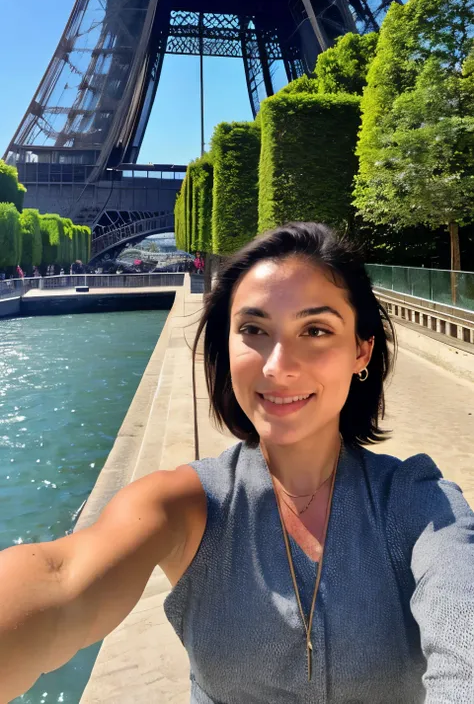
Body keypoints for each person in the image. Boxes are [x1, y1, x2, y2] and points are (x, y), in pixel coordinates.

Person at [0, 222, 473, 703]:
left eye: (315, 329)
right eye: (254, 329)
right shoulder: (183, 505)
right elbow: (60, 580)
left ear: (361, 350)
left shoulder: (423, 506)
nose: (277, 366)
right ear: (226, 348)